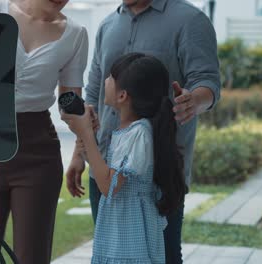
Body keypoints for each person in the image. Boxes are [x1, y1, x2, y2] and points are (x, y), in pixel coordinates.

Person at [65, 0, 221, 263]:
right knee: (112, 251)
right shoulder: (107, 25)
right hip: (104, 166)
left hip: (160, 172)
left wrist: (194, 100)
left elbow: (208, 81)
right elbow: (93, 92)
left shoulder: (190, 20)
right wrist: (79, 154)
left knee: (164, 254)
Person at [0, 0, 89, 263]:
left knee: (33, 256)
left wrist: (82, 149)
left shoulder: (75, 34)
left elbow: (69, 103)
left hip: (37, 149)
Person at [62, 53, 187, 263]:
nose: (105, 81)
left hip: (130, 239)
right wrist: (88, 135)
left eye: (111, 77)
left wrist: (86, 135)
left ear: (123, 96)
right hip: (120, 232)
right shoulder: (129, 131)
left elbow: (109, 185)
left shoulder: (139, 133)